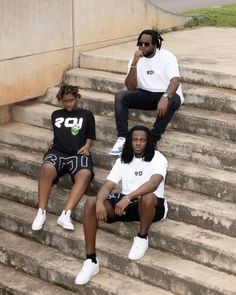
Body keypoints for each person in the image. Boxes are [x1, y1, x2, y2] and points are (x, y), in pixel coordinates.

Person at [75, 125, 168, 285]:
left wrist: (129, 197)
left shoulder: (158, 158)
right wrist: (99, 202)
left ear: (148, 142)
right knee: (90, 202)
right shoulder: (122, 160)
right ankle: (91, 261)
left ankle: (142, 237)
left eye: (142, 140)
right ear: (130, 142)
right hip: (126, 204)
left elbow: (153, 184)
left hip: (152, 206)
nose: (138, 143)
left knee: (147, 197)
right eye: (135, 140)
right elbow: (108, 186)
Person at [109, 29, 184, 156]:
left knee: (170, 101)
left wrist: (165, 96)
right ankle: (122, 138)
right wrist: (134, 64)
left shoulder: (167, 57)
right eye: (140, 43)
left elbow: (175, 81)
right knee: (121, 96)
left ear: (155, 44)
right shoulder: (135, 59)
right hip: (146, 94)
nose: (143, 46)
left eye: (147, 44)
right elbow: (131, 88)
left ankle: (153, 140)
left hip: (168, 94)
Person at [31, 84, 96, 231]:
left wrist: (87, 145)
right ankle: (41, 212)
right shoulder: (56, 115)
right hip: (58, 152)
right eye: (65, 101)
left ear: (77, 98)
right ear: (60, 100)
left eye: (71, 100)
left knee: (85, 173)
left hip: (78, 153)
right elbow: (59, 134)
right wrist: (53, 141)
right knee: (46, 168)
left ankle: (65, 214)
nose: (68, 103)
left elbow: (90, 135)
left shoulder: (87, 114)